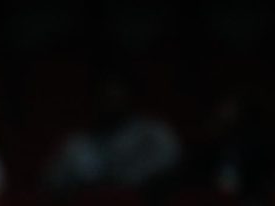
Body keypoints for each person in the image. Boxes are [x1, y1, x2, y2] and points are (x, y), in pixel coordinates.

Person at [46, 77, 181, 193]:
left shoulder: (155, 134)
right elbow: (53, 183)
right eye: (105, 98)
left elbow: (174, 170)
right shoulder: (76, 144)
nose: (111, 104)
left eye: (116, 97)